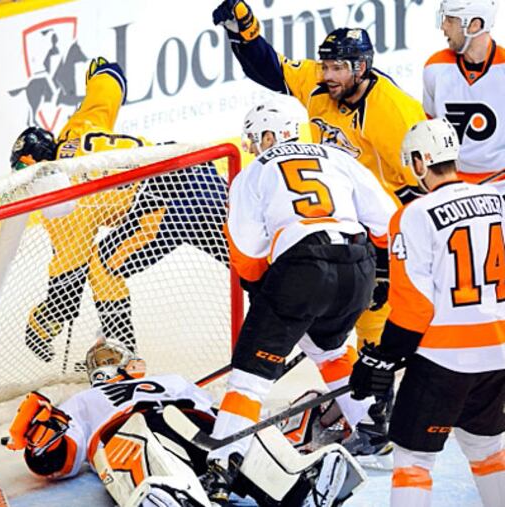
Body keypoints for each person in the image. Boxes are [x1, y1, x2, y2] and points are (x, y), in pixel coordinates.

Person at [213, 0, 425, 455]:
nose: (325, 74)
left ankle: (224, 455)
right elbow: (270, 70)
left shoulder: (392, 110)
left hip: (364, 235)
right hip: (359, 236)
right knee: (330, 343)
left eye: (336, 67)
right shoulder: (318, 91)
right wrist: (244, 31)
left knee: (373, 328)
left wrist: (399, 264)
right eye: (324, 64)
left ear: (361, 68)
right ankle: (371, 425)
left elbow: (420, 185)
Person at [200, 99, 396, 505]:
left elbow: (247, 254)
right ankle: (373, 430)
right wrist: (380, 273)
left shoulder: (254, 172)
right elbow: (387, 219)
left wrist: (268, 296)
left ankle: (222, 465)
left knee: (249, 379)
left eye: (258, 137)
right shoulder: (337, 156)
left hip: (303, 266)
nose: (255, 146)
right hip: (355, 264)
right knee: (332, 348)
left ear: (272, 134)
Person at [9, 57, 228, 359]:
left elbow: (68, 282)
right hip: (197, 170)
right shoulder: (77, 130)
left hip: (166, 202)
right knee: (255, 264)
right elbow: (108, 84)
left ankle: (123, 355)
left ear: (38, 166)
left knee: (104, 266)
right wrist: (101, 72)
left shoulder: (61, 198)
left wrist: (43, 322)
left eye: (24, 170)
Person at [6, 334, 366, 507]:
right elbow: (62, 458)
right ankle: (174, 495)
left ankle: (299, 485)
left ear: (135, 362)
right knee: (140, 438)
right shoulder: (82, 400)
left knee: (233, 435)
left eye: (113, 354)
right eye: (99, 359)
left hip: (195, 426)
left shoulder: (173, 381)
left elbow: (219, 415)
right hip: (130, 431)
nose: (105, 362)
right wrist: (42, 433)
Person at [349, 118, 505, 507]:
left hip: (443, 359)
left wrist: (383, 357)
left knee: (414, 462)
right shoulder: (499, 202)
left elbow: (416, 305)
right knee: (487, 450)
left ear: (420, 161)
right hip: (498, 352)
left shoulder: (414, 215)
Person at [424, 0, 505, 190]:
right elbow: (429, 129)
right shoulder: (435, 67)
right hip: (452, 185)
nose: (444, 27)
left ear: (475, 25)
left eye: (451, 20)